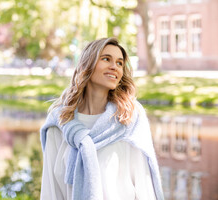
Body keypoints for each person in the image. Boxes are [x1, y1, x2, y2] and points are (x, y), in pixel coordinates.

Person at [40, 37, 164, 200]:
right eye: (106, 59)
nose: (114, 67)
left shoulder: (129, 118)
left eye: (120, 63)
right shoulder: (59, 121)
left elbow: (144, 187)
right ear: (87, 64)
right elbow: (51, 190)